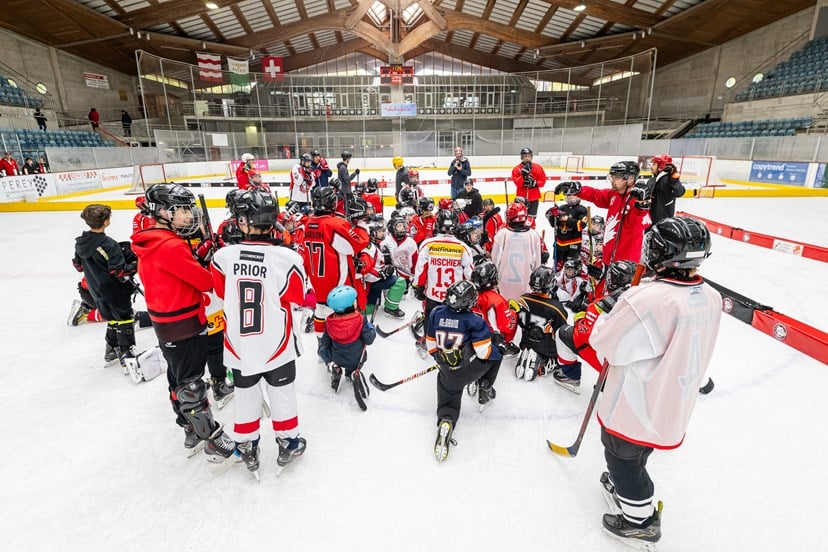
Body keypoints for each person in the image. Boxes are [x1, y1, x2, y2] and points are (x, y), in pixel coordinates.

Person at [589, 216, 721, 548]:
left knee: (621, 457)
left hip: (638, 402)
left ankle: (640, 521)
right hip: (672, 399)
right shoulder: (711, 296)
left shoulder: (648, 299)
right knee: (638, 452)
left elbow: (606, 344)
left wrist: (611, 310)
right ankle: (628, 488)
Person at [130, 184, 237, 461]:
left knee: (177, 378)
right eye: (183, 211)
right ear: (164, 212)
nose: (190, 216)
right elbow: (204, 282)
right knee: (191, 384)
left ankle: (189, 427)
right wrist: (210, 265)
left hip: (165, 322)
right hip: (184, 322)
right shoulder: (171, 245)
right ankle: (210, 438)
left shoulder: (149, 240)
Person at [210, 190, 308, 476]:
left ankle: (247, 445)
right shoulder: (287, 258)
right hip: (277, 344)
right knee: (282, 395)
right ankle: (288, 441)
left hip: (240, 346)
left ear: (242, 221)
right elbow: (298, 297)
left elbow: (218, 291)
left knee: (245, 396)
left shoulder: (223, 256)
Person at [429, 280, 502, 462]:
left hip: (448, 372)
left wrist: (439, 359)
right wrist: (498, 347)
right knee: (496, 355)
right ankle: (485, 385)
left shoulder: (436, 313)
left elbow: (431, 343)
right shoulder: (475, 320)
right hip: (471, 369)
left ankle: (446, 420)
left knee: (449, 400)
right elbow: (484, 353)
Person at [552, 260, 637, 393]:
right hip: (637, 368)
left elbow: (584, 334)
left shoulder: (603, 306)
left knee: (563, 333)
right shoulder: (643, 298)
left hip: (613, 364)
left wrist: (580, 318)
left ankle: (570, 376)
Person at [72, 204, 138, 368]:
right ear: (106, 222)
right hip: (114, 290)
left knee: (113, 319)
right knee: (124, 319)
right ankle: (126, 353)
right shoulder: (108, 245)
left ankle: (111, 349)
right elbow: (119, 272)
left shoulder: (81, 242)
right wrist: (137, 264)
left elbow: (78, 265)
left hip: (95, 290)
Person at [302, 185, 370, 338]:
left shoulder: (307, 224)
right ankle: (343, 346)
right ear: (332, 203)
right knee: (342, 317)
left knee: (320, 311)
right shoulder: (334, 224)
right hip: (336, 284)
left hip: (316, 282)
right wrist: (360, 224)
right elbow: (357, 244)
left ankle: (321, 345)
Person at [554, 161, 650, 269]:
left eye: (616, 177)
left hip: (625, 264)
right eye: (612, 177)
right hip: (608, 258)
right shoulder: (615, 194)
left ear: (630, 179)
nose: (612, 180)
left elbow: (639, 225)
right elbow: (597, 195)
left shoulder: (636, 201)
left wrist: (642, 206)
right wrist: (578, 190)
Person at [412, 209, 474, 356]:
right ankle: (456, 343)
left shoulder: (428, 244)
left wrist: (418, 286)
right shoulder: (463, 247)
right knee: (456, 320)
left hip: (433, 294)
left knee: (431, 318)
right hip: (456, 298)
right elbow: (470, 274)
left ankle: (427, 342)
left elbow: (420, 269)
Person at [319, 285, 376, 411]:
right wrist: (371, 328)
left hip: (337, 357)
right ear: (351, 305)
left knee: (322, 349)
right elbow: (369, 339)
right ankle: (352, 373)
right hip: (357, 358)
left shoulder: (330, 323)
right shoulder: (360, 319)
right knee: (355, 353)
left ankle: (334, 366)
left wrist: (327, 354)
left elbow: (325, 342)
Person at [512, 266, 568, 381]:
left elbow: (519, 322)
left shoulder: (522, 299)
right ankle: (548, 363)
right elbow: (561, 331)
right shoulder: (556, 307)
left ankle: (531, 351)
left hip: (526, 341)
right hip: (547, 347)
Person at [491, 201, 542, 302]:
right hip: (526, 285)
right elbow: (537, 264)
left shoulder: (502, 234)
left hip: (504, 286)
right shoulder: (533, 235)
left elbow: (494, 261)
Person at [470, 262, 519, 357]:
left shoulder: (470, 294)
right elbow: (504, 323)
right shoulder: (495, 299)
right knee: (514, 314)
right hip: (488, 336)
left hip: (471, 333)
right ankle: (505, 344)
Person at [362, 219, 406, 318]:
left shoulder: (378, 245)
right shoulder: (368, 248)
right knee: (400, 281)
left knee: (373, 307)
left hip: (373, 280)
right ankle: (391, 307)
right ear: (372, 233)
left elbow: (377, 264)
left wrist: (386, 268)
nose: (383, 233)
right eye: (380, 231)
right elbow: (365, 269)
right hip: (370, 282)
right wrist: (381, 274)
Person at [546, 190, 588, 269]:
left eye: (573, 195)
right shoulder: (562, 208)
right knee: (558, 266)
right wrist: (551, 216)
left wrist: (567, 220)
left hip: (573, 243)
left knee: (571, 267)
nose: (570, 197)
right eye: (568, 195)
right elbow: (553, 225)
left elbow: (581, 225)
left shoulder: (582, 209)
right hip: (560, 243)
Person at [646, 154, 686, 224]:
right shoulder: (652, 180)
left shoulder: (669, 181)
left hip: (663, 222)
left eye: (654, 164)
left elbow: (679, 192)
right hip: (650, 220)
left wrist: (674, 181)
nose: (651, 167)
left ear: (661, 166)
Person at [511, 147, 546, 221]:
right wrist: (523, 176)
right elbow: (518, 184)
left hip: (534, 197)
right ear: (522, 157)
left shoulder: (538, 167)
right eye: (525, 156)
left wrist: (535, 183)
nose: (527, 158)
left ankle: (530, 232)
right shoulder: (516, 169)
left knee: (531, 219)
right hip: (521, 198)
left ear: (531, 157)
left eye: (529, 156)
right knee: (519, 218)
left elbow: (543, 181)